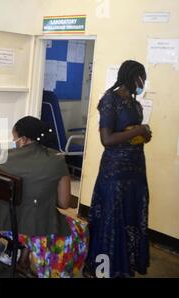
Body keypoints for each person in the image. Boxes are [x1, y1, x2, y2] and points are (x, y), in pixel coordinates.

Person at [0, 116, 88, 278]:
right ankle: (57, 272)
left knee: (31, 213)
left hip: (7, 223)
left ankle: (24, 260)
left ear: (23, 140)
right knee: (80, 228)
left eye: (14, 138)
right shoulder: (57, 159)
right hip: (38, 227)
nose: (14, 142)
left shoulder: (5, 157)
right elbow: (64, 203)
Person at [84, 60, 152, 278]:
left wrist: (144, 134)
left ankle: (125, 266)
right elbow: (107, 139)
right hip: (115, 171)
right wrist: (137, 130)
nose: (143, 82)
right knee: (112, 218)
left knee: (131, 215)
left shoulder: (135, 104)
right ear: (132, 77)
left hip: (136, 169)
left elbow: (133, 134)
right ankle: (104, 270)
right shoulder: (110, 100)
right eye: (141, 78)